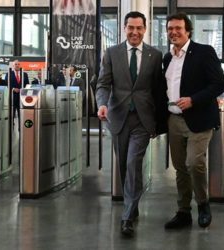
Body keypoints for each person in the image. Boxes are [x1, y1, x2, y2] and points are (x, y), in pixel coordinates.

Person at [95, 11, 163, 237]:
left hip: (143, 119)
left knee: (134, 162)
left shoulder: (155, 55)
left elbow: (158, 91)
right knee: (124, 165)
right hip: (118, 117)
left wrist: (158, 122)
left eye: (139, 28)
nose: (135, 32)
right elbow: (103, 84)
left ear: (145, 29)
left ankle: (127, 217)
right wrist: (102, 104)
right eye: (130, 28)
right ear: (124, 28)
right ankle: (131, 205)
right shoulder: (112, 53)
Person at [162, 13, 224, 230]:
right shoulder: (167, 58)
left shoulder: (204, 52)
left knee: (194, 163)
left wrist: (193, 100)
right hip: (174, 121)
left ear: (188, 31)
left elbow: (218, 84)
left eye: (178, 28)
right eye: (170, 28)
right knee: (180, 168)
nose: (174, 32)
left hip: (199, 119)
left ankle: (203, 204)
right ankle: (183, 212)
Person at [5, 60, 29, 130]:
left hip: (21, 98)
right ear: (13, 66)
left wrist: (22, 90)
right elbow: (7, 84)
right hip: (12, 97)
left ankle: (21, 128)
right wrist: (13, 89)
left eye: (18, 64)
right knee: (11, 114)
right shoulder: (9, 74)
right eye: (16, 64)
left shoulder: (25, 74)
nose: (17, 65)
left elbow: (27, 85)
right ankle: (10, 129)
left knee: (21, 114)